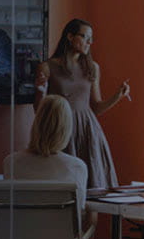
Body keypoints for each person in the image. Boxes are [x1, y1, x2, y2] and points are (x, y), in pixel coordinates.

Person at [34, 18, 132, 188]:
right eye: (85, 37)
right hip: (61, 130)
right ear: (70, 37)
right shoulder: (47, 67)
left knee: (92, 190)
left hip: (88, 130)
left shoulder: (92, 68)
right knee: (65, 188)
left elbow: (96, 107)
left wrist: (118, 96)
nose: (90, 42)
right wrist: (39, 91)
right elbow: (39, 110)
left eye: (91, 38)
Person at [3, 95, 94, 230]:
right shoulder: (77, 167)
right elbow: (78, 216)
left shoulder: (11, 162)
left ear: (36, 123)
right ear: (66, 129)